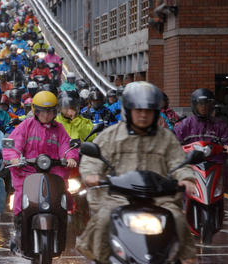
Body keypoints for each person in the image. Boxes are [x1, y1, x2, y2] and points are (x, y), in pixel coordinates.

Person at [76, 81, 197, 263]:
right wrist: (91, 175)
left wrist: (186, 178)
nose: (143, 115)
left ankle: (188, 259)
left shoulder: (166, 138)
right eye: (138, 110)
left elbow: (179, 162)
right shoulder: (111, 134)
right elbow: (92, 159)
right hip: (118, 198)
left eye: (148, 110)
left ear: (156, 112)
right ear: (128, 109)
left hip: (160, 200)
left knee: (178, 219)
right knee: (102, 219)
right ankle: (99, 259)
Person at [2, 91, 79, 217]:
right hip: (27, 171)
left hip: (54, 172)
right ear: (35, 111)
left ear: (55, 111)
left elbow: (66, 145)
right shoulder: (26, 126)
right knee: (21, 195)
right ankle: (21, 221)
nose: (46, 115)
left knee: (64, 197)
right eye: (41, 111)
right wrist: (14, 158)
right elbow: (15, 145)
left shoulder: (59, 128)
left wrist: (71, 157)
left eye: (50, 111)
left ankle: (63, 222)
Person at [173, 88, 228, 193]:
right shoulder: (186, 123)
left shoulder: (219, 124)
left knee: (227, 173)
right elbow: (174, 140)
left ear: (211, 105)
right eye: (200, 104)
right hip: (191, 164)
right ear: (195, 105)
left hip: (215, 163)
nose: (203, 106)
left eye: (206, 104)